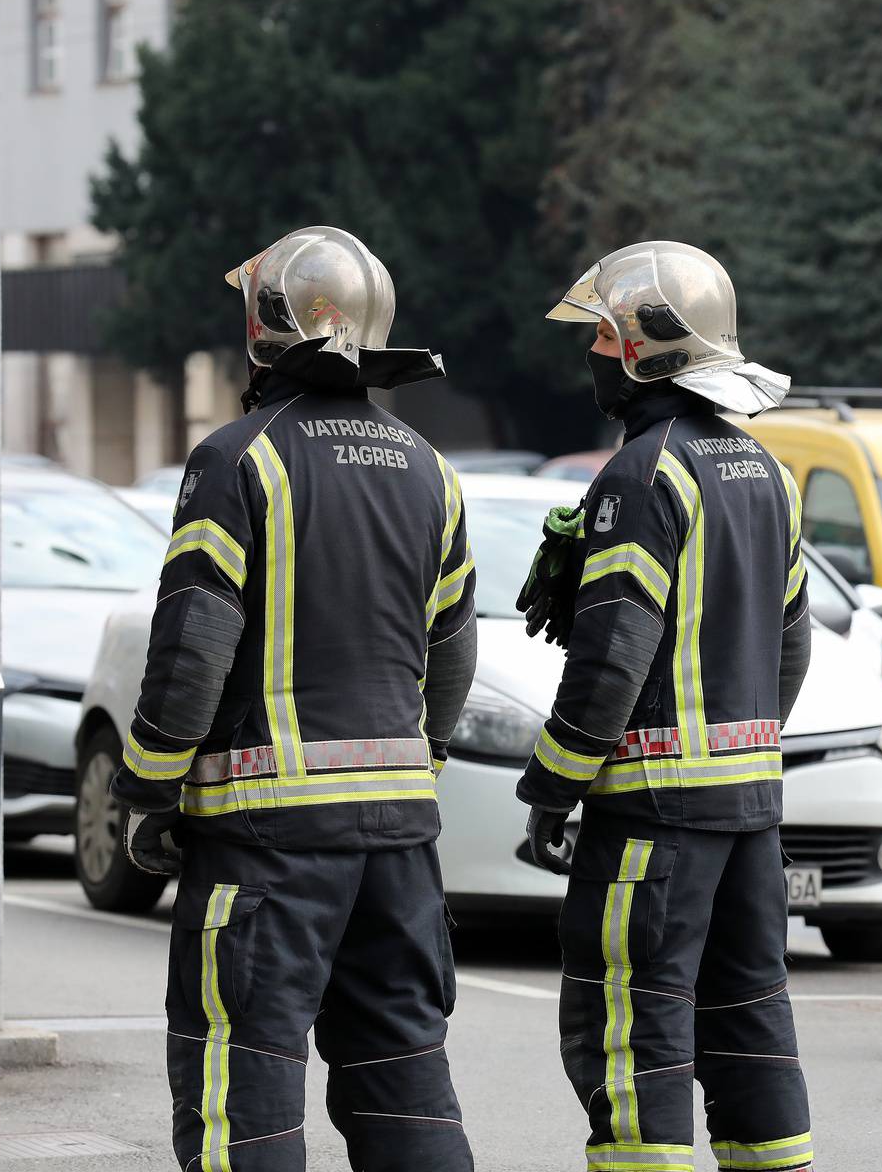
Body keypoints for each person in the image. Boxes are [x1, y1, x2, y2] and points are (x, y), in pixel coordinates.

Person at [112, 227, 480, 1171]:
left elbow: (192, 651)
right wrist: (413, 766)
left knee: (245, 1086)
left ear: (260, 330)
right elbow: (451, 656)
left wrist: (148, 789)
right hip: (399, 841)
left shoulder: (236, 460)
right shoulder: (428, 469)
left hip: (266, 846)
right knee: (404, 1075)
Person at [513, 241, 816, 1172]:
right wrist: (745, 751)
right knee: (748, 1017)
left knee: (632, 1024)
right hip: (749, 812)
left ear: (648, 348)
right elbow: (792, 646)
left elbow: (610, 663)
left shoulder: (643, 474)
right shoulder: (764, 472)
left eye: (603, 337)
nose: (594, 357)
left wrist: (551, 787)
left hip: (652, 819)